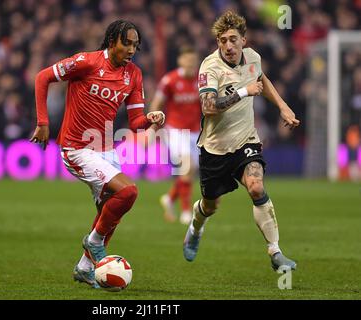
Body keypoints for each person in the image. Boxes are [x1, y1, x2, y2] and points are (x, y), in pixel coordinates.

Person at [30, 20, 165, 288]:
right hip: (77, 149)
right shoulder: (86, 62)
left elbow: (136, 120)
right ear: (113, 40)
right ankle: (93, 242)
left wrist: (150, 118)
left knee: (108, 213)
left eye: (136, 45)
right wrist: (43, 122)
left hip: (106, 150)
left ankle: (85, 267)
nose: (132, 50)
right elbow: (42, 77)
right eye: (127, 43)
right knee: (128, 192)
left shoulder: (134, 75)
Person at [183, 11, 300, 272]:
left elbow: (260, 79)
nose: (227, 46)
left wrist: (283, 106)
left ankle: (276, 252)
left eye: (233, 39)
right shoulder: (210, 66)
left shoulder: (253, 58)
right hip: (215, 148)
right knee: (210, 205)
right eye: (222, 40)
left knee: (256, 187)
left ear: (243, 40)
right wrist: (244, 91)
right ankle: (196, 227)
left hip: (246, 140)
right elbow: (208, 107)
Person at [149, 46, 201, 225]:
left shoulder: (202, 80)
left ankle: (170, 198)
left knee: (190, 171)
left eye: (194, 61)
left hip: (195, 131)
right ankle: (186, 211)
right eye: (188, 61)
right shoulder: (169, 80)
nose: (191, 64)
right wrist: (152, 129)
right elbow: (156, 104)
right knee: (188, 165)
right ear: (181, 62)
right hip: (175, 130)